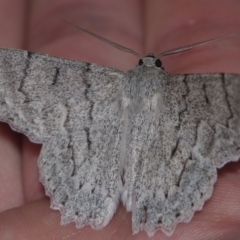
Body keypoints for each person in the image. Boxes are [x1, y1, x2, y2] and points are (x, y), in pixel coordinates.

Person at [0, 1, 240, 239]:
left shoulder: (100, 83)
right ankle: (152, 203)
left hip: (87, 161)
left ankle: (98, 199)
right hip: (168, 174)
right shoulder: (192, 92)